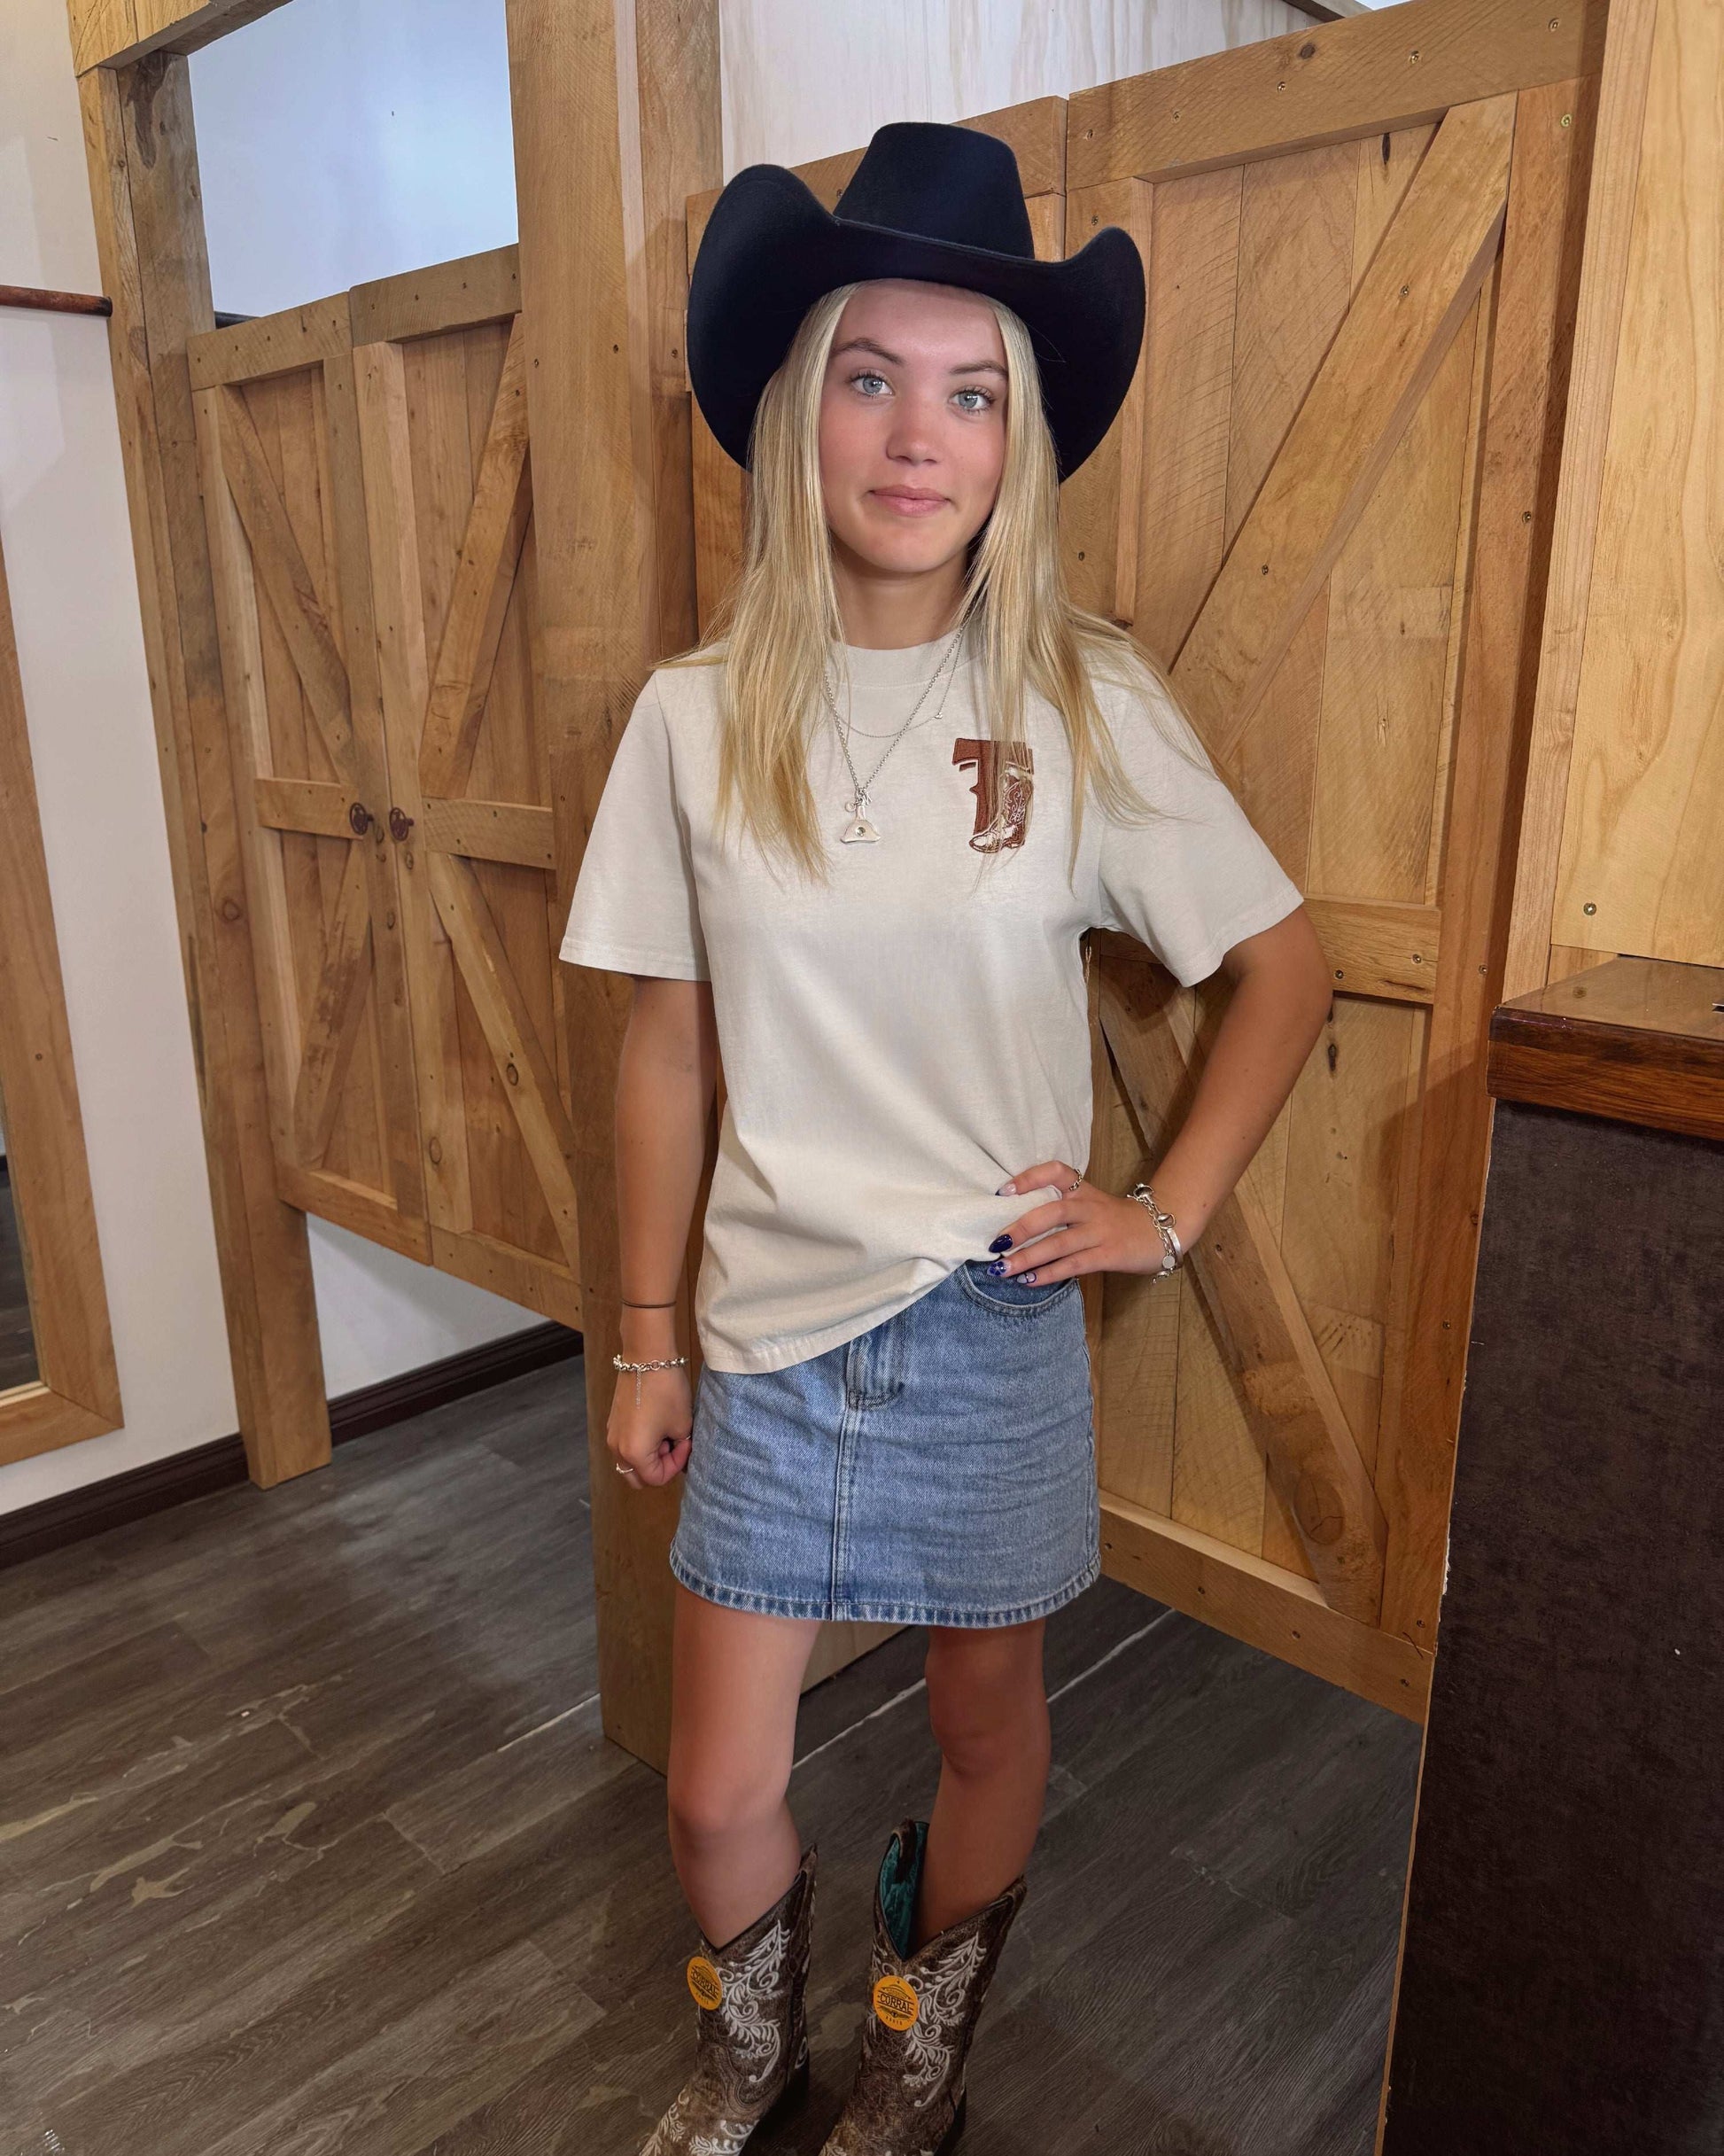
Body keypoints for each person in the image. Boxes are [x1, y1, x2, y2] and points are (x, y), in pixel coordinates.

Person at [559, 120, 1331, 2156]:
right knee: (717, 1778)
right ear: (796, 412)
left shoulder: (1083, 699)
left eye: (972, 389)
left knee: (987, 1729)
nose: (920, 435)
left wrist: (1159, 1209)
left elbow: (1282, 965)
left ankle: (915, 2051)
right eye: (871, 380)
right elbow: (664, 1043)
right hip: (771, 1324)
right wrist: (644, 1333)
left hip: (990, 1317)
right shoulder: (691, 718)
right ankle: (742, 2068)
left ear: (1020, 438)